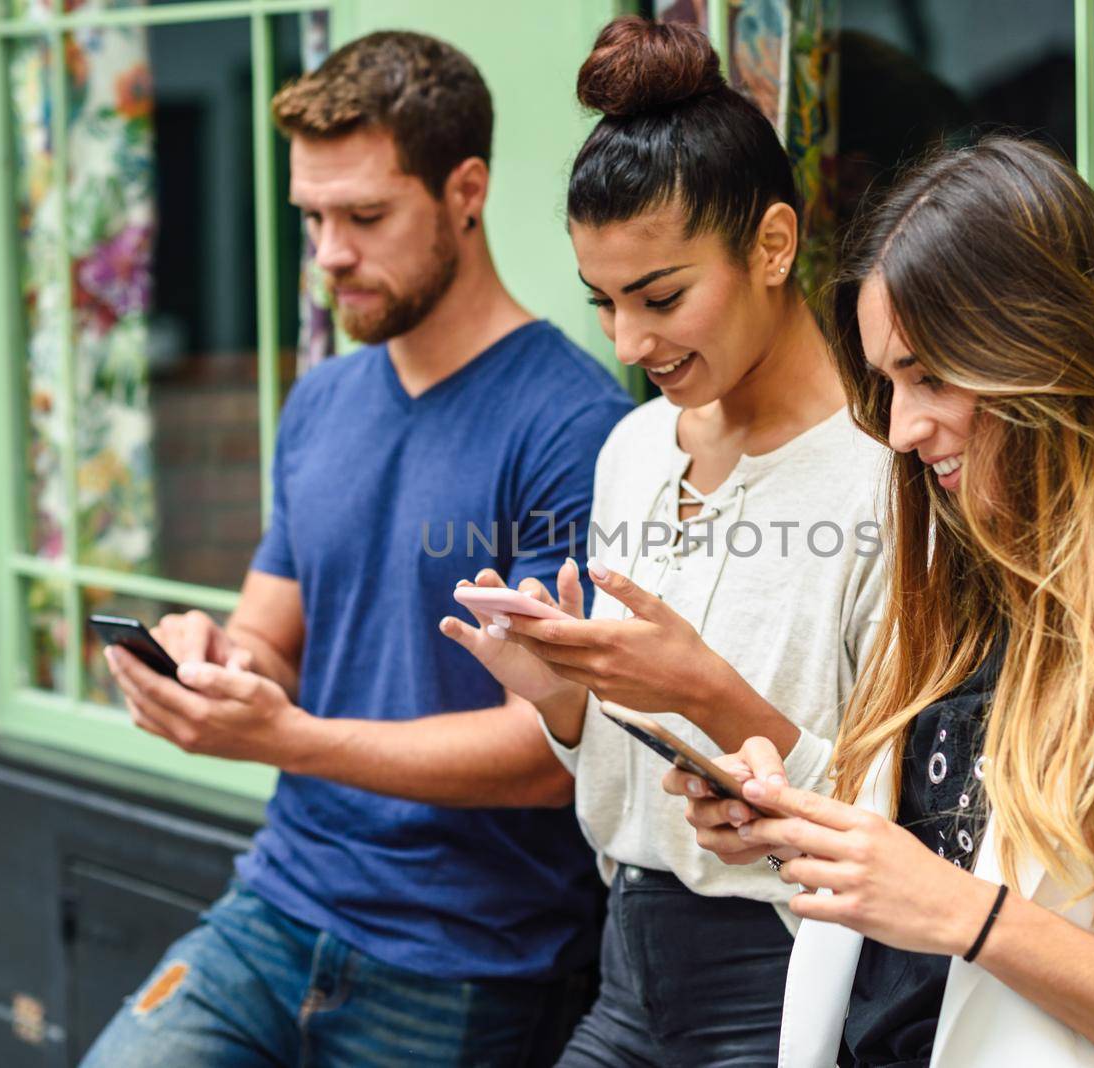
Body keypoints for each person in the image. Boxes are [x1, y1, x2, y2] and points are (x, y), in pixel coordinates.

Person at [669, 137, 1094, 1068]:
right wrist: (791, 815)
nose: (902, 429)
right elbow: (944, 836)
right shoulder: (963, 591)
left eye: (930, 375)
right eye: (887, 382)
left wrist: (966, 915)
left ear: (1043, 352)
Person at [82, 31, 633, 1067]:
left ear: (464, 191)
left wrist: (285, 738)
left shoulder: (573, 426)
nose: (329, 252)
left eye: (365, 217)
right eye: (313, 218)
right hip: (276, 907)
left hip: (466, 951)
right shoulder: (323, 398)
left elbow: (547, 755)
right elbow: (269, 633)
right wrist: (214, 664)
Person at [438, 17, 887, 1068]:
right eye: (603, 304)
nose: (630, 345)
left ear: (773, 245)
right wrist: (555, 689)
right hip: (626, 960)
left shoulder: (885, 470)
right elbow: (619, 769)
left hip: (789, 980)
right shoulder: (633, 449)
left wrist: (702, 687)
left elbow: (900, 813)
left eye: (662, 297)